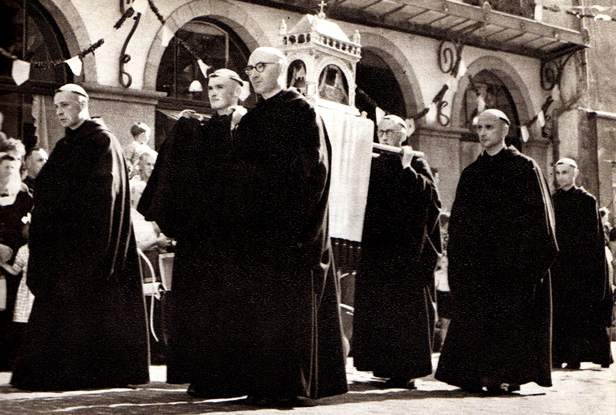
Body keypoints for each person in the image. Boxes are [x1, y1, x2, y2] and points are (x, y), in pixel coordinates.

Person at [10, 83, 149, 391]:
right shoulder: (65, 144)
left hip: (87, 246)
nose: (59, 111)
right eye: (56, 106)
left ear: (82, 104)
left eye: (65, 105)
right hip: (62, 246)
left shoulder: (101, 142)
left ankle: (83, 373)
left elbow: (104, 197)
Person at [231, 46, 347, 405]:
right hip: (256, 231)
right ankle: (261, 383)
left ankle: (290, 385)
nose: (253, 73)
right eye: (249, 67)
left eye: (260, 67)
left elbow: (313, 172)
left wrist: (298, 225)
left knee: (289, 309)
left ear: (281, 70)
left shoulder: (301, 112)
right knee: (259, 309)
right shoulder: (250, 119)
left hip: (289, 229)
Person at [138, 68, 251, 396]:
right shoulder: (205, 125)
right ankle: (201, 375)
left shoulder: (245, 124)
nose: (213, 92)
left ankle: (231, 376)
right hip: (199, 233)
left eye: (220, 87)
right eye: (210, 87)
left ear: (238, 90)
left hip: (230, 235)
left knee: (226, 305)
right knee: (198, 304)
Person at [435, 109, 558, 394]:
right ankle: (479, 374)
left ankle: (506, 376)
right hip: (478, 271)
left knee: (509, 325)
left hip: (512, 270)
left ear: (504, 130)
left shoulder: (525, 168)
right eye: (479, 127)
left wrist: (527, 266)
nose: (482, 133)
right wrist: (459, 261)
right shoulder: (471, 173)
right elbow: (460, 225)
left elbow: (541, 222)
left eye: (488, 127)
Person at [352, 115, 441, 389]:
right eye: (381, 131)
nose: (385, 136)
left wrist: (406, 170)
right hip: (379, 248)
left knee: (403, 310)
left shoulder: (415, 161)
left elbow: (431, 200)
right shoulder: (375, 162)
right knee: (379, 308)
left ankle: (405, 370)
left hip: (406, 252)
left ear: (404, 133)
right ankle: (381, 365)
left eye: (391, 131)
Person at [551, 158, 613, 369]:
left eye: (565, 173)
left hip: (580, 266)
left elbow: (593, 237)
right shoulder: (553, 200)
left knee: (580, 312)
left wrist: (588, 267)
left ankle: (578, 356)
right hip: (559, 265)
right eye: (558, 173)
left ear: (574, 174)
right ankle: (559, 354)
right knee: (560, 311)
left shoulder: (587, 200)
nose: (561, 177)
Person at [0, 152, 32, 371]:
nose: (9, 171)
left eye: (14, 167)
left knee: (11, 308)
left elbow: (29, 229)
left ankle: (9, 357)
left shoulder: (25, 198)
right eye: (5, 167)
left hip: (15, 264)